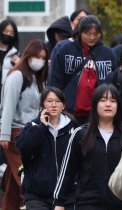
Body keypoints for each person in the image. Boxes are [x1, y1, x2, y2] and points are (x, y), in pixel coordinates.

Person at [53, 84, 122, 210]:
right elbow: (67, 170)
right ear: (95, 104)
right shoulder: (81, 134)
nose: (108, 104)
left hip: (121, 204)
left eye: (113, 101)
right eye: (103, 100)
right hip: (87, 203)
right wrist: (59, 202)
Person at [0, 39, 48, 210]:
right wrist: (4, 134)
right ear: (28, 55)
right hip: (16, 133)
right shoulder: (17, 76)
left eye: (43, 57)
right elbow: (8, 106)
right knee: (26, 177)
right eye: (36, 56)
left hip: (31, 132)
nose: (40, 60)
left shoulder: (38, 78)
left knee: (14, 183)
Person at [48, 15, 118, 125]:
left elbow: (115, 84)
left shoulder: (108, 53)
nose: (92, 37)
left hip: (97, 114)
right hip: (68, 113)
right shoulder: (65, 49)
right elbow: (54, 81)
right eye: (88, 34)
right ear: (80, 32)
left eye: (96, 34)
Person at [16, 87, 77, 210]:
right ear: (43, 104)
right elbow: (23, 146)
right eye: (49, 101)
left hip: (67, 196)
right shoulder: (33, 126)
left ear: (63, 106)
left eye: (58, 101)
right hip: (37, 196)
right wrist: (42, 127)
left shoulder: (73, 128)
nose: (53, 105)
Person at [0, 18, 20, 99]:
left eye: (12, 33)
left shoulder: (16, 55)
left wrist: (19, 64)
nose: (8, 34)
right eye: (6, 31)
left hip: (7, 95)